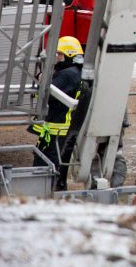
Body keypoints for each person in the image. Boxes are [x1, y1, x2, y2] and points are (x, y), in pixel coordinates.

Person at [28, 36, 83, 188]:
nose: (57, 58)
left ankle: (44, 198)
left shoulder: (67, 75)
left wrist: (42, 79)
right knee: (59, 171)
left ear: (69, 55)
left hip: (55, 134)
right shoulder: (77, 72)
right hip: (61, 132)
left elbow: (45, 96)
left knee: (45, 169)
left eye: (59, 54)